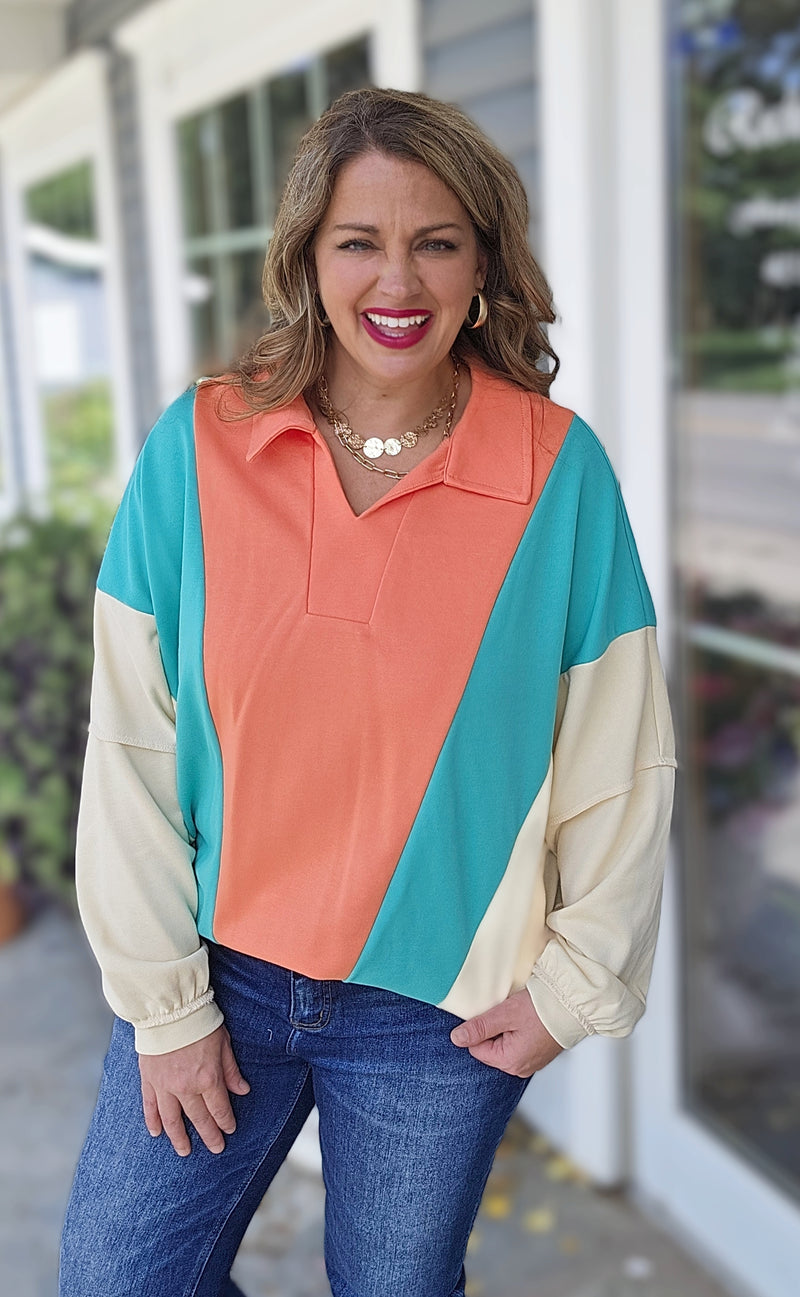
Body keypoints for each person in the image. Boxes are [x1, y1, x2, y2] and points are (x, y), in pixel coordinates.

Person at [59, 87, 676, 1297]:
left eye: (435, 242)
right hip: (216, 966)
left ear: (481, 264)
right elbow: (132, 739)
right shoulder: (201, 446)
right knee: (119, 1280)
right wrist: (164, 1007)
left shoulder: (555, 472)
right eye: (358, 242)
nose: (397, 281)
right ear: (306, 259)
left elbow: (620, 753)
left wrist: (574, 985)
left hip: (432, 1014)